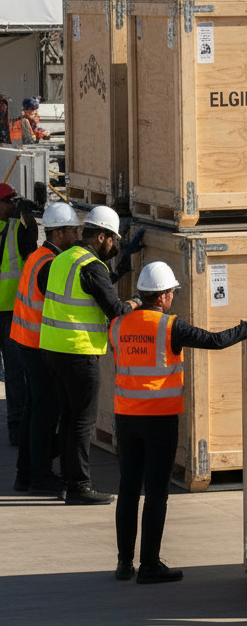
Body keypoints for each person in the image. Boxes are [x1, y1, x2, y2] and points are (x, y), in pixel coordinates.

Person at [108, 262, 247, 583]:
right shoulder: (170, 326)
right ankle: (149, 566)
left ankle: (123, 563)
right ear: (162, 296)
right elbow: (215, 341)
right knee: (156, 492)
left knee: (129, 489)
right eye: (172, 292)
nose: (173, 297)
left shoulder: (118, 325)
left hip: (126, 419)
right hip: (159, 420)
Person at [39, 205, 144, 504]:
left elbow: (87, 291)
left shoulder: (63, 258)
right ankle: (80, 486)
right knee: (82, 422)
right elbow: (116, 310)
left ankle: (70, 481)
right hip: (78, 352)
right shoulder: (91, 265)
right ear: (101, 237)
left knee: (69, 419)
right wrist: (137, 302)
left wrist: (119, 268)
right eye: (112, 239)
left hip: (53, 348)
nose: (113, 245)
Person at [11, 202, 80, 493]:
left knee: (34, 410)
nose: (76, 236)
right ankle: (39, 477)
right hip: (39, 347)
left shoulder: (38, 257)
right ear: (60, 233)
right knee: (45, 414)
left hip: (25, 342)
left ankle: (25, 474)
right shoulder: (51, 265)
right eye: (73, 231)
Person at [1, 182, 39, 446]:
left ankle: (16, 427)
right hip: (7, 314)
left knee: (15, 373)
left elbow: (32, 250)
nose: (12, 206)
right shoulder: (11, 228)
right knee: (14, 372)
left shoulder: (17, 228)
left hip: (11, 313)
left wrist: (29, 219)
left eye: (14, 201)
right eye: (9, 201)